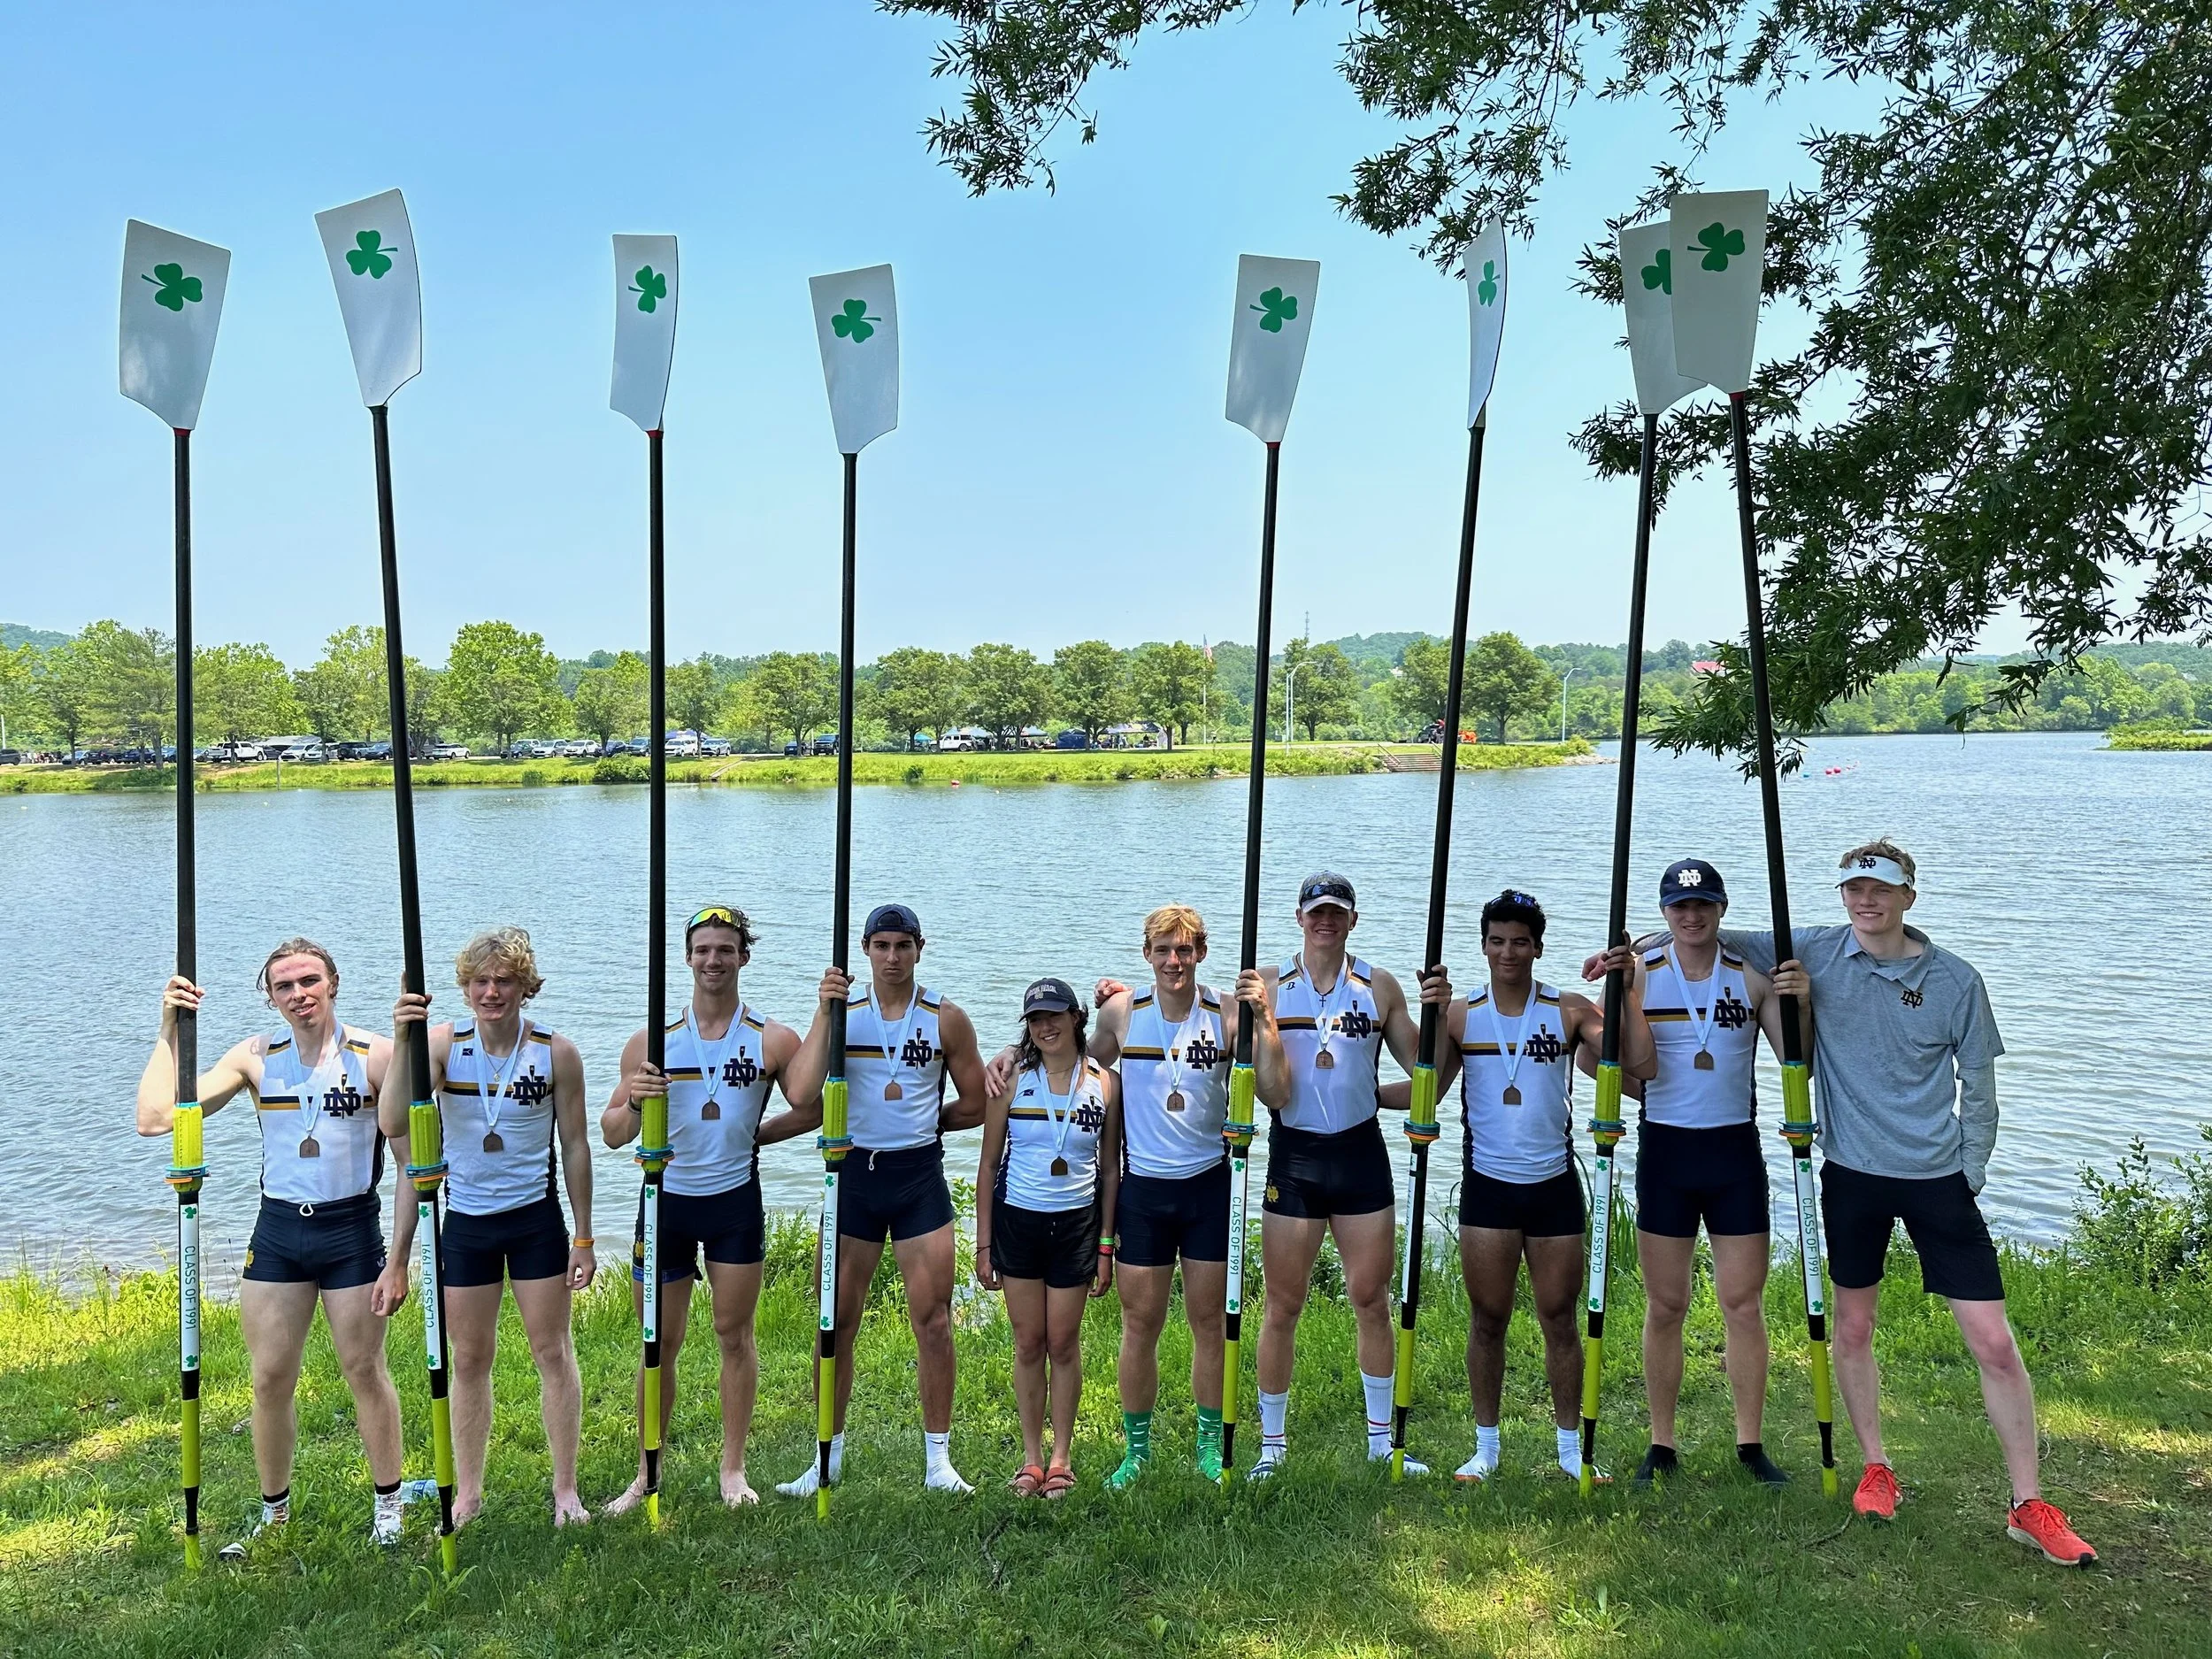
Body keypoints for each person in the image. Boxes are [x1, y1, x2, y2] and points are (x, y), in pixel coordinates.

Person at [1717, 840, 2097, 1565]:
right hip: (1852, 1173)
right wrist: (1631, 949)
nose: (1867, 901)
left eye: (1881, 890)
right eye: (1855, 889)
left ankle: (2029, 1504)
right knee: (1853, 1327)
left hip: (1937, 1178)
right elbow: (1708, 930)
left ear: (1908, 897)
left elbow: (1979, 1086)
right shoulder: (1815, 950)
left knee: (1993, 1341)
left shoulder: (1956, 978)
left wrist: (1971, 1169)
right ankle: (1876, 1467)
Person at [984, 904, 1286, 1487]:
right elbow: (1070, 1055)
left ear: (1201, 953)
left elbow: (1274, 1093)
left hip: (1207, 1185)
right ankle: (1137, 1450)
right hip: (1144, 1190)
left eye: (1185, 949)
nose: (1175, 961)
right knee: (1139, 1323)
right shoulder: (1123, 1012)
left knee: (1208, 1321)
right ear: (1147, 954)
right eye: (1163, 950)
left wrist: (1266, 1023)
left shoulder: (1229, 1013)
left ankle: (1207, 1444)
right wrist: (1011, 1054)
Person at [134, 939, 419, 1554]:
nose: (299, 994)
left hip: (351, 1231)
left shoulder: (375, 1055)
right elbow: (155, 1118)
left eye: (309, 980)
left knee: (364, 1369)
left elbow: (410, 1166)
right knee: (268, 1377)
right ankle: (275, 1515)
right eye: (284, 986)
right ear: (270, 996)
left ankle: (388, 1506)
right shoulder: (256, 1057)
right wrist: (169, 1030)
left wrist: (398, 1260)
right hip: (280, 1232)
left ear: (333, 982)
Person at [380, 926, 595, 1527]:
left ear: (526, 986)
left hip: (534, 1221)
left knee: (552, 1350)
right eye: (480, 982)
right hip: (468, 1223)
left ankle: (566, 1490)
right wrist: (404, 1035)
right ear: (466, 987)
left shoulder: (556, 1052)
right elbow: (393, 1119)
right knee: (470, 1358)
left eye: (504, 981)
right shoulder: (443, 1044)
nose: (491, 992)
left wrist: (583, 1236)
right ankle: (469, 1493)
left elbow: (576, 1146)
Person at [775, 902, 991, 1497]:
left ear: (920, 949)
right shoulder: (845, 1015)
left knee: (934, 1321)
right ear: (866, 951)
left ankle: (938, 1462)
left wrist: (926, 1123)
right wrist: (824, 1010)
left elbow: (976, 1102)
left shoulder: (946, 1018)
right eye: (881, 946)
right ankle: (825, 1458)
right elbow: (801, 1093)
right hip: (855, 1177)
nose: (892, 957)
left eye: (902, 945)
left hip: (918, 1178)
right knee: (835, 1320)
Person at [603, 903, 814, 1509]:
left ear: (743, 956)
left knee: (733, 1334)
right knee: (657, 1342)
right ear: (688, 958)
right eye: (702, 950)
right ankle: (646, 1472)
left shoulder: (772, 1038)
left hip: (733, 1204)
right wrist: (635, 1100)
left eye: (725, 949)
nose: (713, 960)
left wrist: (758, 1136)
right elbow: (613, 1132)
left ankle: (733, 1469)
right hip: (665, 1201)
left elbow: (811, 1106)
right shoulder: (653, 1040)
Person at [1428, 890, 1643, 1484]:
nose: (1508, 952)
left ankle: (1571, 1450)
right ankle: (1486, 1448)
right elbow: (1428, 1088)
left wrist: (1625, 988)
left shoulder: (1569, 1009)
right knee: (1488, 1318)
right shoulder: (1461, 1014)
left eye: (1520, 942)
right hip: (1488, 1188)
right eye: (1497, 941)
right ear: (1483, 945)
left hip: (1553, 1187)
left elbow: (1639, 1063)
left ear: (1538, 948)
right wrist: (1362, 1095)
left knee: (1559, 1317)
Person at [1249, 872, 1444, 1479]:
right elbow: (1256, 1079)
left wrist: (1439, 1013)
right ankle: (1272, 1448)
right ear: (1299, 918)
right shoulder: (1268, 986)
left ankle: (1382, 1443)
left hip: (1361, 1155)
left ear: (1353, 920)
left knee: (1371, 1299)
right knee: (1282, 1305)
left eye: (1336, 912)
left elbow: (1427, 1072)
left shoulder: (1378, 986)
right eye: (1316, 912)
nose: (1326, 921)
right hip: (1295, 1157)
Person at [1624, 859, 1809, 1488]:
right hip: (1666, 1153)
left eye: (1703, 904)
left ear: (1722, 909)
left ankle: (1750, 1444)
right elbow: (1607, 1060)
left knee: (1743, 1303)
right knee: (1666, 1304)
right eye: (1680, 906)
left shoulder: (1750, 977)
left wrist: (1801, 1002)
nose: (1692, 915)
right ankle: (1662, 1443)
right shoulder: (1639, 975)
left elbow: (1797, 1061)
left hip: (1734, 1154)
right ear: (1664, 912)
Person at [973, 979, 1121, 1496]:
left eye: (1054, 1016)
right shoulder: (1011, 1077)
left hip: (1076, 1226)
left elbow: (1110, 1170)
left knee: (1063, 1342)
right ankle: (1032, 1458)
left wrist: (1106, 1247)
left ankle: (1062, 1459)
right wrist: (984, 1245)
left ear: (1076, 1017)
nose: (1045, 1027)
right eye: (1035, 1019)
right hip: (1019, 1222)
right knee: (1028, 1342)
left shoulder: (1105, 1083)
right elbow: (988, 1164)